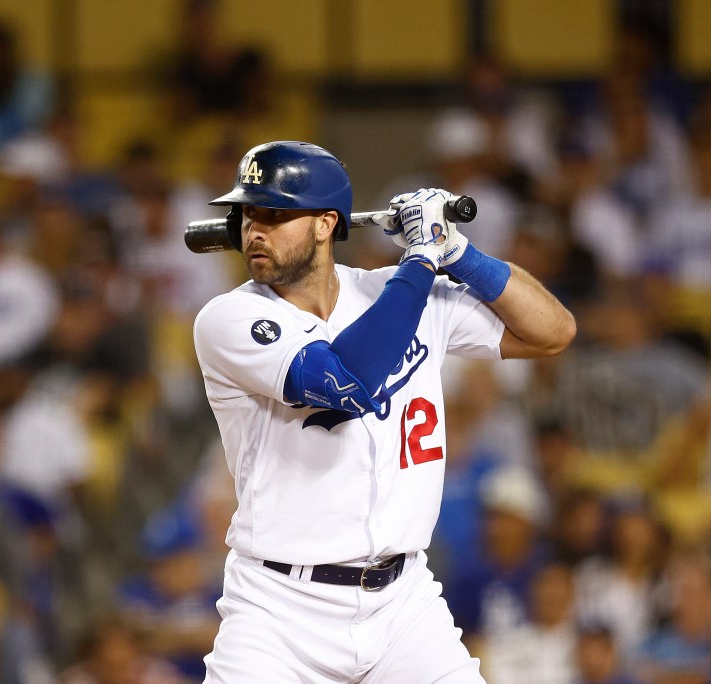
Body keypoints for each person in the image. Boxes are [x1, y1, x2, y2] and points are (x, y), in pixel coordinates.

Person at [192, 140, 576, 682]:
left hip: (403, 604)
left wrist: (460, 253)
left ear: (326, 224)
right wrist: (420, 259)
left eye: (274, 213)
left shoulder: (392, 293)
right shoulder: (229, 319)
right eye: (248, 213)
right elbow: (346, 380)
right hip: (279, 609)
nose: (254, 228)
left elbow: (553, 332)